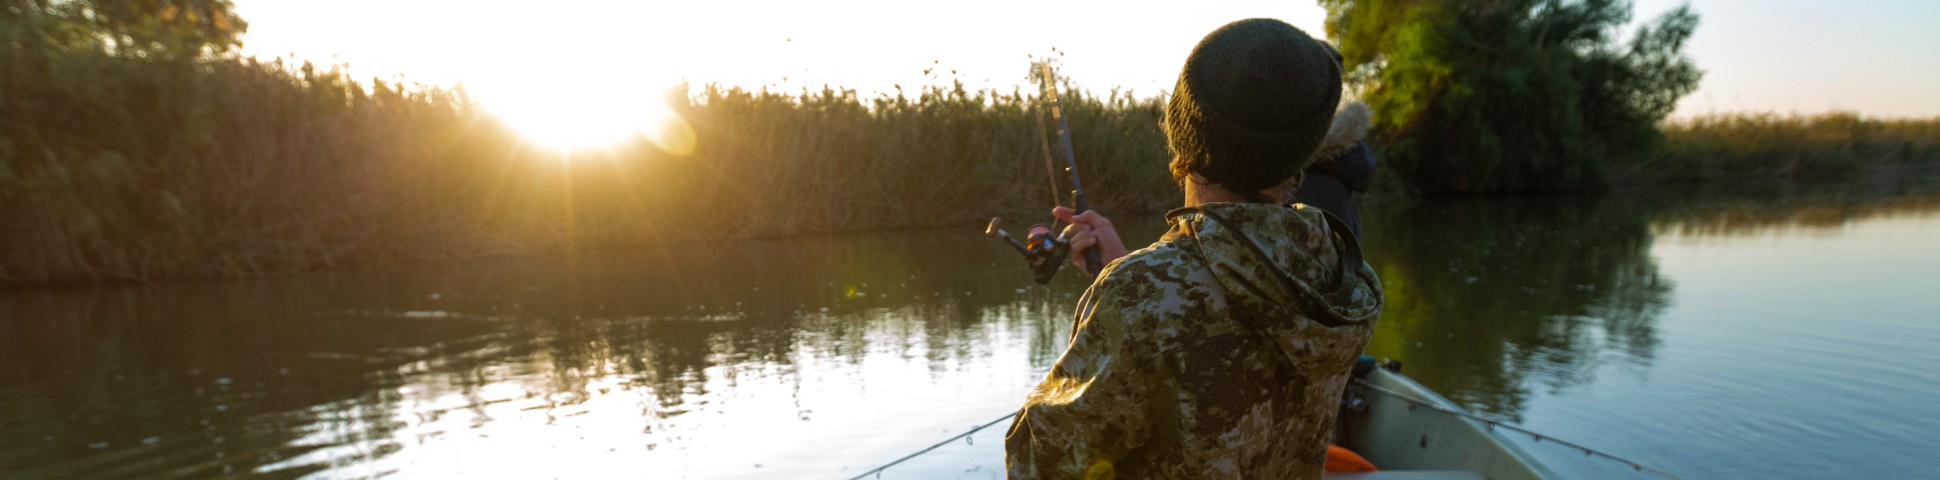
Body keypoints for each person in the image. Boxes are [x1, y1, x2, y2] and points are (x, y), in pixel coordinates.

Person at [1004, 18, 1384, 480]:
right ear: (1301, 153)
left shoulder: (1140, 297)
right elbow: (1237, 293)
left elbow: (1038, 463)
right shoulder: (1339, 270)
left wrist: (1123, 288)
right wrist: (1133, 268)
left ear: (1181, 128)